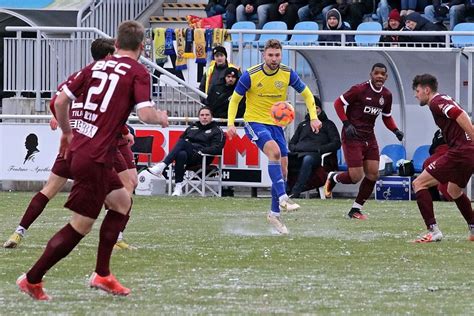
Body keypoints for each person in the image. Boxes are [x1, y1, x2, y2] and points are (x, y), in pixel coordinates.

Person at [16, 20, 169, 301]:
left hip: (82, 148)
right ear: (142, 46)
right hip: (95, 156)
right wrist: (161, 117)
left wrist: (66, 132)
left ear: (116, 43)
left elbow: (60, 101)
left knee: (122, 202)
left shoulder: (96, 66)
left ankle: (102, 273)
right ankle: (32, 279)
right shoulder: (138, 71)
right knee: (80, 225)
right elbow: (146, 115)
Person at [3, 38, 135, 250]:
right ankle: (116, 238)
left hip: (74, 145)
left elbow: (56, 100)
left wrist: (64, 122)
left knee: (49, 190)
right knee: (126, 187)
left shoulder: (80, 75)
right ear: (110, 56)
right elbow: (107, 113)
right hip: (98, 146)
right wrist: (125, 132)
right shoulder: (109, 77)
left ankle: (19, 232)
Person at [226, 39, 322, 234]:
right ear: (264, 55)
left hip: (276, 125)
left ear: (281, 55)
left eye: (277, 55)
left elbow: (308, 95)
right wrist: (230, 123)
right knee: (275, 152)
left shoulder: (287, 73)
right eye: (270, 55)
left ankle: (274, 214)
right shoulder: (250, 75)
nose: (274, 59)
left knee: (284, 171)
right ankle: (283, 198)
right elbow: (235, 100)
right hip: (254, 122)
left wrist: (313, 117)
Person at [324, 63, 404, 219]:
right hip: (352, 137)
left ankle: (355, 209)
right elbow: (338, 103)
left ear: (386, 77)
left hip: (369, 137)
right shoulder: (359, 90)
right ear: (371, 75)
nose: (379, 76)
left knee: (373, 174)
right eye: (376, 73)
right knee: (355, 177)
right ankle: (333, 177)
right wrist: (346, 123)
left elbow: (386, 117)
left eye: (383, 74)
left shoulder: (386, 95)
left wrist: (395, 130)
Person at [411, 74, 474, 243]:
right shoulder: (445, 98)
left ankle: (433, 230)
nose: (416, 95)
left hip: (460, 152)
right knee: (454, 191)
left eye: (417, 91)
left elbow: (458, 113)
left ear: (426, 90)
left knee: (419, 183)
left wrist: (472, 135)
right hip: (468, 152)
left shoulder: (436, 102)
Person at [148, 107, 226, 196]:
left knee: (182, 143)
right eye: (202, 115)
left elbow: (217, 148)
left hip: (203, 157)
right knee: (181, 153)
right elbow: (182, 140)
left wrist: (201, 150)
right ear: (199, 117)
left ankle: (163, 165)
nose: (204, 117)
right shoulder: (192, 127)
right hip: (189, 156)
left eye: (207, 115)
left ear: (211, 117)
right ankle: (178, 187)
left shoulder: (217, 130)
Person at [287, 96, 341, 198]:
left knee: (307, 160)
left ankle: (296, 191)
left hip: (316, 155)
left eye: (316, 108)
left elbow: (336, 143)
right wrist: (296, 148)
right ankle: (284, 189)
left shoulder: (328, 124)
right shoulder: (302, 125)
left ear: (320, 109)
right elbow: (291, 143)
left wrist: (320, 150)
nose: (314, 111)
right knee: (283, 158)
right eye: (312, 108)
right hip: (298, 153)